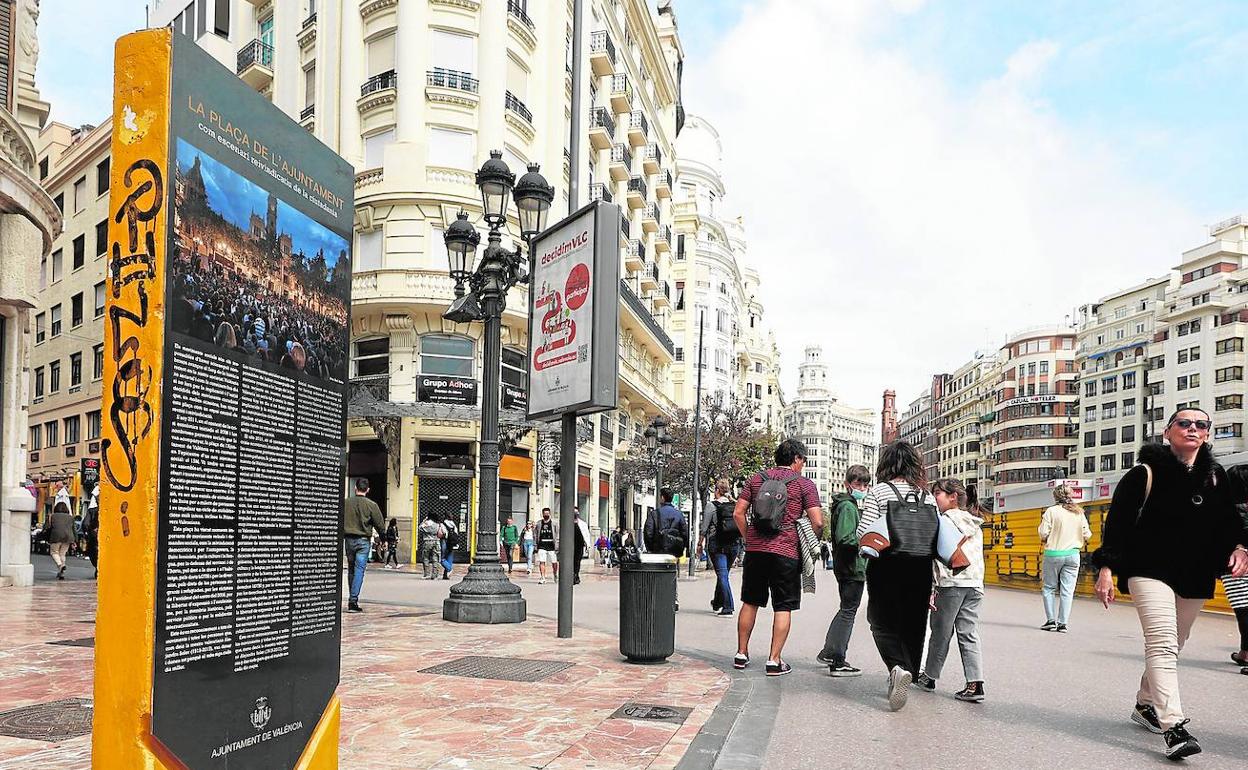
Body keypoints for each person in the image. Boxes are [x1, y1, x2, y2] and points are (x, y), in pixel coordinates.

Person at [1091, 410, 1248, 760]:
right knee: (1162, 641)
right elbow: (1116, 524)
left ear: (1207, 434)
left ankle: (1146, 704)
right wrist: (1105, 568)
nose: (1193, 429)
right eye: (1184, 423)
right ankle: (1174, 727)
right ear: (1168, 431)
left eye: (1200, 425)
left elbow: (1229, 523)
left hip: (1196, 573)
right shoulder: (1144, 473)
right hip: (1148, 569)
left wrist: (1240, 547)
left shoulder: (1216, 477)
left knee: (1175, 642)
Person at [856, 440, 938, 711]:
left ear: (886, 463)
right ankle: (908, 671)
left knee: (880, 620)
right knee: (913, 622)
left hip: (887, 564)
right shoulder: (927, 495)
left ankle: (896, 667)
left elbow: (864, 532)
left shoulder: (880, 491)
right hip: (922, 565)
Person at [732, 439, 823, 677]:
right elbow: (818, 521)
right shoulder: (804, 485)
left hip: (756, 551)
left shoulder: (755, 479)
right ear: (796, 459)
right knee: (783, 606)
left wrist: (749, 538)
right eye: (803, 460)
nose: (803, 465)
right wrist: (811, 542)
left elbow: (738, 512)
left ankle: (741, 653)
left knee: (750, 601)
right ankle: (774, 660)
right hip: (786, 552)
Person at [916, 478, 986, 703]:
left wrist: (931, 586)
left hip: (951, 584)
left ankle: (929, 677)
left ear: (952, 497)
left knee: (940, 633)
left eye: (938, 493)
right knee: (969, 633)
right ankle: (975, 683)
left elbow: (937, 553)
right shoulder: (974, 521)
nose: (934, 497)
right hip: (975, 584)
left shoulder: (944, 520)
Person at [817, 464, 871, 676]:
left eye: (865, 484)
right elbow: (846, 538)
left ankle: (829, 652)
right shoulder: (848, 507)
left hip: (845, 566)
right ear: (848, 483)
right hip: (852, 567)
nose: (862, 487)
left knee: (845, 609)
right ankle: (838, 660)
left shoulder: (845, 504)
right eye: (858, 483)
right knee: (848, 612)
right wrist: (865, 541)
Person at [1038, 484, 1092, 632]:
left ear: (1055, 497)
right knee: (1067, 590)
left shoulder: (1051, 511)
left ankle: (1050, 621)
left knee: (1049, 588)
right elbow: (1088, 534)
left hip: (1053, 554)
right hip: (1073, 555)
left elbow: (1043, 533)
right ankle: (1063, 623)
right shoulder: (1079, 513)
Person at [343, 478, 385, 611]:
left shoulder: (346, 503)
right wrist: (383, 540)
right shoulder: (372, 505)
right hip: (363, 541)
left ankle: (352, 597)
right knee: (359, 570)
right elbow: (380, 524)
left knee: (351, 569)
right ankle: (353, 600)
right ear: (368, 490)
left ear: (355, 488)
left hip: (349, 540)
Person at [700, 478, 740, 617]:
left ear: (717, 490)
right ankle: (717, 602)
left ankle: (728, 607)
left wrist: (700, 544)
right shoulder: (735, 504)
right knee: (723, 575)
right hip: (734, 545)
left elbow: (704, 527)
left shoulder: (712, 506)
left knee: (722, 575)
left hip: (717, 545)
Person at [644, 488, 689, 610]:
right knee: (673, 574)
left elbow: (648, 532)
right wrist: (682, 547)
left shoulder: (655, 513)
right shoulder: (678, 514)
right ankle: (673, 599)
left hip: (658, 550)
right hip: (674, 550)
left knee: (657, 575)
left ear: (663, 498)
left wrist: (650, 548)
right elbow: (684, 532)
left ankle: (658, 599)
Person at [45, 501, 76, 580]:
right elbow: (74, 529)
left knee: (54, 552)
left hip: (56, 536)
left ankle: (60, 565)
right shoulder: (71, 517)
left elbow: (46, 527)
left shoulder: (52, 516)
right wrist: (75, 541)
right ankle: (61, 573)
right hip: (68, 537)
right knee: (62, 554)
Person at [535, 508, 559, 584]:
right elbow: (535, 534)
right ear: (542, 514)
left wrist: (557, 544)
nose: (546, 515)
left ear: (550, 514)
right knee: (542, 562)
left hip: (552, 545)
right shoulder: (539, 523)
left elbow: (557, 533)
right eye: (545, 513)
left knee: (554, 562)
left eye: (547, 513)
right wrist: (536, 545)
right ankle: (543, 577)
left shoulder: (554, 523)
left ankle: (555, 574)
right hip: (542, 545)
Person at [82, 486, 100, 578]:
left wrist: (87, 532)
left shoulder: (92, 510)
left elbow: (85, 523)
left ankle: (98, 568)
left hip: (95, 535)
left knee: (94, 551)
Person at [573, 509, 592, 585]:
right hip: (570, 546)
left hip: (579, 545)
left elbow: (587, 535)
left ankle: (576, 575)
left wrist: (588, 545)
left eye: (576, 512)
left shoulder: (583, 524)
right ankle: (572, 576)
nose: (575, 514)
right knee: (571, 561)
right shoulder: (568, 523)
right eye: (574, 512)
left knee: (577, 561)